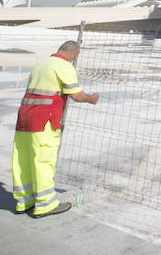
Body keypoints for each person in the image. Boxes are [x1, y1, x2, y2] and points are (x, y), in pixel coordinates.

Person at [12, 40, 99, 218]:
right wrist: (90, 98)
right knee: (43, 161)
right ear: (73, 54)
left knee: (23, 160)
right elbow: (75, 95)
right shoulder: (64, 66)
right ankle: (45, 204)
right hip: (44, 122)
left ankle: (24, 201)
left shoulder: (41, 65)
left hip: (24, 119)